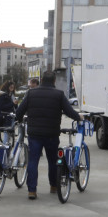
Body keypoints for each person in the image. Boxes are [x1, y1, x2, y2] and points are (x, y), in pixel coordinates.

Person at [15, 71, 82, 200]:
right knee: (53, 161)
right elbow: (69, 111)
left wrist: (18, 119)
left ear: (41, 80)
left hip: (34, 134)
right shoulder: (59, 94)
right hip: (52, 134)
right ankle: (53, 186)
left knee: (33, 161)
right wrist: (78, 117)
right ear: (54, 81)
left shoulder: (31, 93)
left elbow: (19, 111)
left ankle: (32, 191)